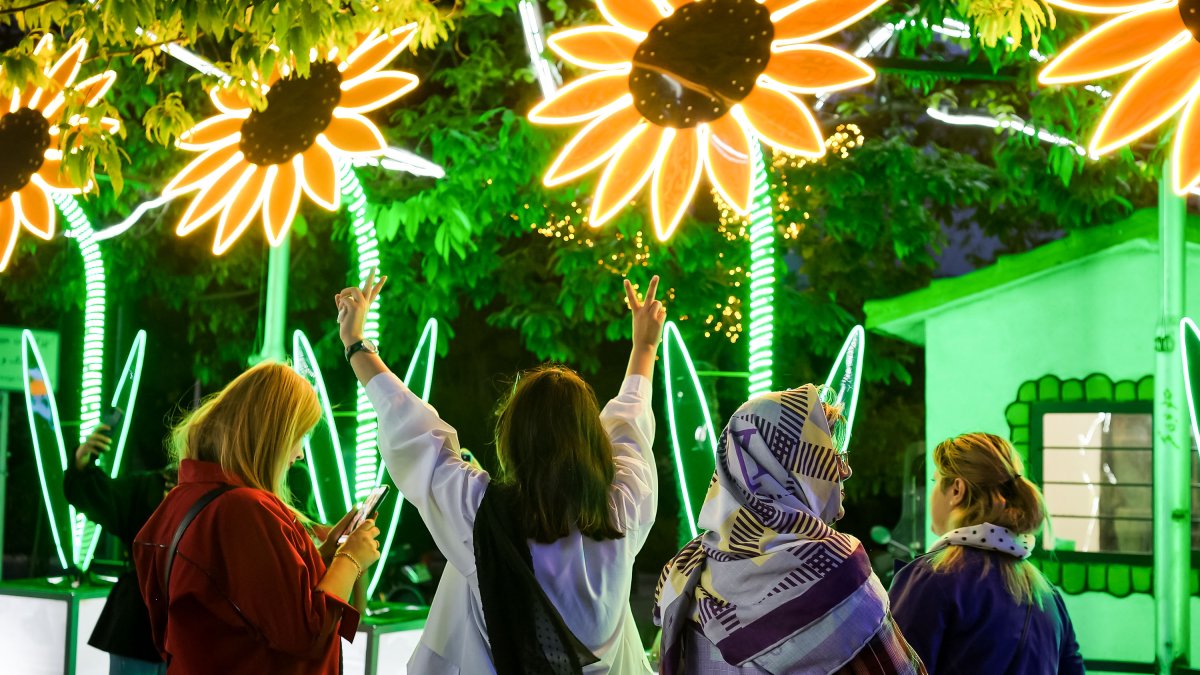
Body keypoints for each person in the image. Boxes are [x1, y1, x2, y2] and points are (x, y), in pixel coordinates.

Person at [334, 270, 664, 674]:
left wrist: (355, 343)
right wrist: (644, 346)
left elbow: (414, 431)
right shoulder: (624, 512)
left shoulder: (483, 517)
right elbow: (630, 425)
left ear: (513, 439)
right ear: (593, 439)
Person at [655, 388, 925, 675]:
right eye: (831, 455)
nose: (845, 471)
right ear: (787, 468)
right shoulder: (834, 572)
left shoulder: (683, 573)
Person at [132, 362, 380, 674]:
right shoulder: (245, 509)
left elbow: (251, 599)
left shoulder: (186, 497)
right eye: (300, 436)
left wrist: (326, 555)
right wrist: (350, 559)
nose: (300, 453)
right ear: (273, 436)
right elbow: (306, 631)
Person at [888, 432, 1085, 674]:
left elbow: (890, 667)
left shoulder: (931, 578)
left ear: (957, 490)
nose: (931, 494)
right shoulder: (1048, 596)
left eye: (935, 481)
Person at [64, 426, 174, 675]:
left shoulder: (224, 496)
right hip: (138, 626)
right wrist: (81, 464)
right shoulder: (149, 487)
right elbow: (97, 495)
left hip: (191, 631)